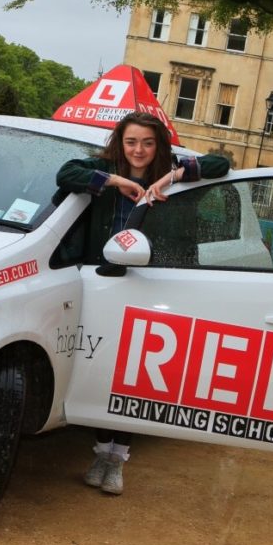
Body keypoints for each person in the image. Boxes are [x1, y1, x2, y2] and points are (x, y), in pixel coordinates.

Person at [55, 112, 230, 495]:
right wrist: (117, 182)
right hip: (105, 283)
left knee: (135, 375)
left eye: (148, 143)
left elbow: (222, 164)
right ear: (120, 142)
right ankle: (102, 452)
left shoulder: (172, 171)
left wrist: (171, 178)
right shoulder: (104, 170)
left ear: (159, 145)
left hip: (153, 287)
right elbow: (65, 174)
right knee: (103, 369)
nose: (139, 150)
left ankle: (117, 460)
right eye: (131, 142)